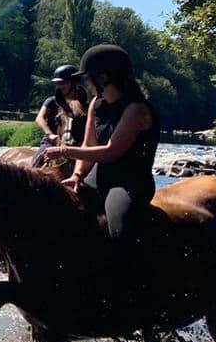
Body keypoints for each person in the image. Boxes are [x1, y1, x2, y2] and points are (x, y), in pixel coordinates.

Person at [42, 44, 161, 280]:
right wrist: (77, 175)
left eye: (88, 78)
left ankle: (135, 285)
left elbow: (111, 152)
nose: (86, 84)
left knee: (119, 228)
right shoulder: (96, 105)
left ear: (103, 77)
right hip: (98, 176)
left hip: (129, 183)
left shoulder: (136, 109)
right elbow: (88, 146)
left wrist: (65, 150)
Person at [33, 64, 89, 163]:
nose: (59, 86)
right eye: (57, 83)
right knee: (37, 160)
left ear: (73, 82)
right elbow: (40, 118)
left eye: (62, 82)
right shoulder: (51, 101)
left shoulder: (84, 104)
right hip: (53, 142)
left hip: (77, 143)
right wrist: (50, 135)